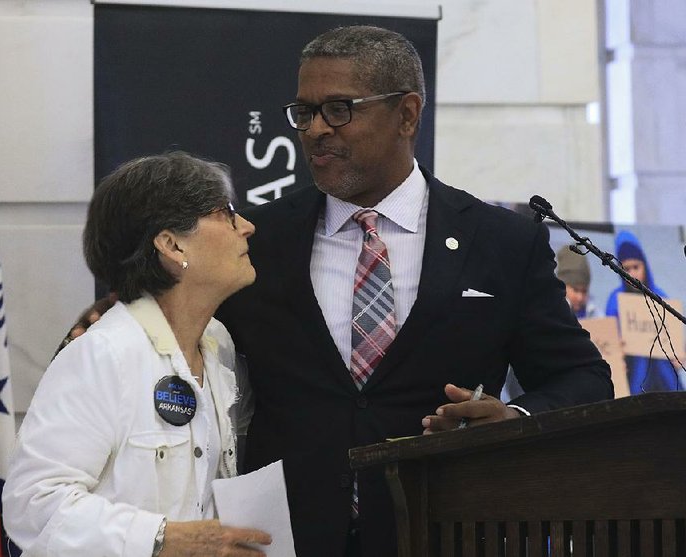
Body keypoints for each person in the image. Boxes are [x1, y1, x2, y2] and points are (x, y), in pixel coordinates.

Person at [69, 26, 612, 557]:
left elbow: (582, 377)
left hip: (446, 528)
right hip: (284, 539)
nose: (314, 130)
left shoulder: (501, 241)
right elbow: (175, 330)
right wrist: (118, 317)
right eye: (304, 112)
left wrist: (513, 419)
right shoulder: (255, 241)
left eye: (339, 109)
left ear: (407, 114)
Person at [3, 152, 271, 556]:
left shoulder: (220, 346)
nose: (247, 227)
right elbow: (33, 504)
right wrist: (163, 539)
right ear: (171, 243)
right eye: (225, 214)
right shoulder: (101, 354)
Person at [605, 230, 680, 394]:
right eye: (626, 268)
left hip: (667, 383)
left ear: (645, 265)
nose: (632, 274)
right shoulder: (615, 301)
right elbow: (609, 340)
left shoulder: (660, 297)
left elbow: (675, 339)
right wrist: (617, 356)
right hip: (633, 382)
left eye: (636, 267)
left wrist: (680, 355)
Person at [556, 245, 600, 319]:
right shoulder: (550, 312)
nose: (580, 297)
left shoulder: (594, 313)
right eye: (575, 290)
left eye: (584, 291)